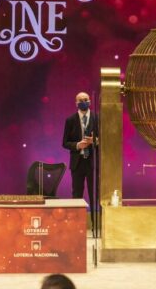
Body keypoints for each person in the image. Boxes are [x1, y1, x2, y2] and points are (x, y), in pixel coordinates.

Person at [62, 92, 98, 230]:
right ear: (76, 103)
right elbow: (65, 143)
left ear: (90, 101)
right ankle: (76, 226)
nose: (83, 102)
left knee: (94, 194)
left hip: (93, 162)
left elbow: (105, 138)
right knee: (77, 194)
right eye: (80, 100)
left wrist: (95, 141)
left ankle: (96, 225)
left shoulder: (97, 118)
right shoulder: (70, 120)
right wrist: (78, 145)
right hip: (77, 163)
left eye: (86, 99)